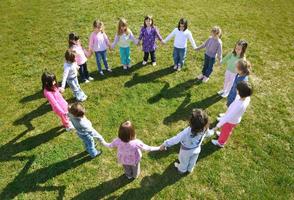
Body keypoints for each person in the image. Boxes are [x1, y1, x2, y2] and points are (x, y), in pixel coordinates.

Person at [160, 109, 214, 173]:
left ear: (191, 122)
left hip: (186, 151)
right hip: (197, 149)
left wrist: (165, 144)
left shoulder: (186, 132)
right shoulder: (205, 128)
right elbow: (209, 133)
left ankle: (182, 170)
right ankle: (190, 169)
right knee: (193, 160)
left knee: (183, 161)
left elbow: (175, 139)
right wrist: (212, 132)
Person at [212, 81, 253, 147]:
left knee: (226, 131)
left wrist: (217, 126)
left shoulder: (238, 105)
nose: (236, 90)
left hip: (230, 121)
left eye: (237, 89)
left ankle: (220, 143)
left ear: (240, 92)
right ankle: (222, 134)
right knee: (225, 130)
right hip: (234, 119)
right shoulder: (247, 98)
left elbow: (228, 117)